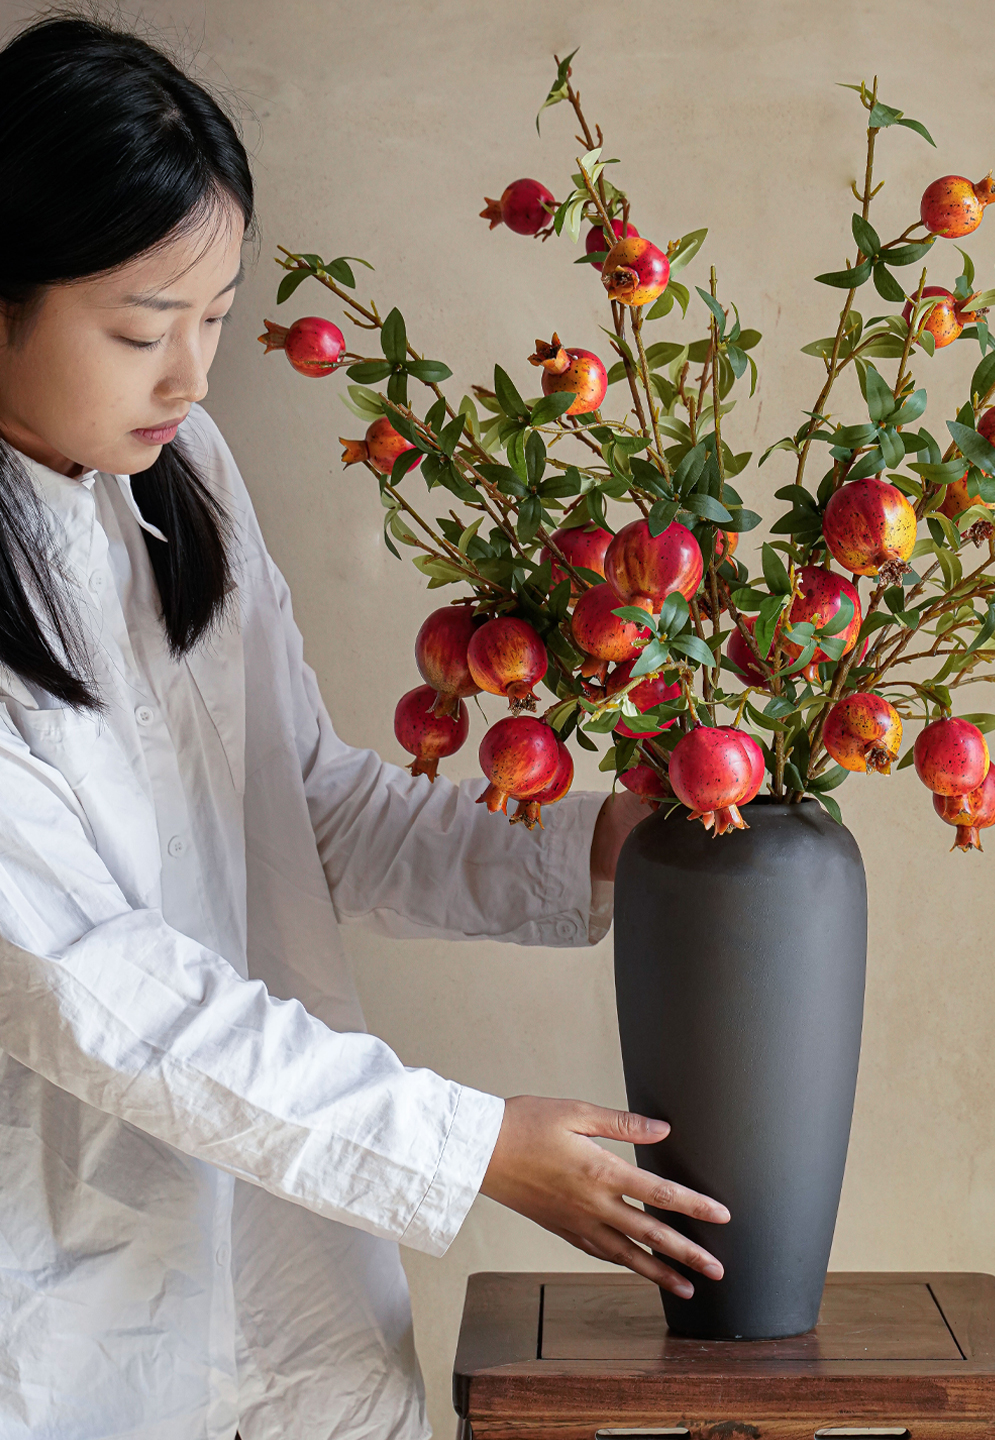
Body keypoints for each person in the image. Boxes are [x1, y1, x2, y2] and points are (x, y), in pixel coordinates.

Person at [0, 14, 729, 1439]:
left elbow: (308, 809)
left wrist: (597, 847)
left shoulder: (176, 476)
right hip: (77, 1284)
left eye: (213, 319)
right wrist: (466, 1150)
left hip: (285, 1253)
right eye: (145, 328)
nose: (194, 377)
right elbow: (106, 995)